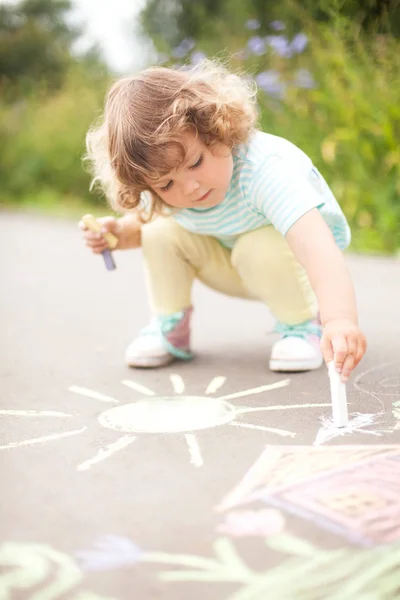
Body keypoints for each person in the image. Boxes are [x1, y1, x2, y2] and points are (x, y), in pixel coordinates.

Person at [80, 59, 367, 382]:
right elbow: (142, 229)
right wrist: (117, 234)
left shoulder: (263, 169)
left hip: (291, 267)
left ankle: (305, 326)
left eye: (196, 162)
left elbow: (316, 249)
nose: (190, 187)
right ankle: (170, 327)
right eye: (166, 184)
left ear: (217, 128)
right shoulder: (163, 187)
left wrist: (339, 320)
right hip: (231, 265)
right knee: (159, 230)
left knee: (256, 246)